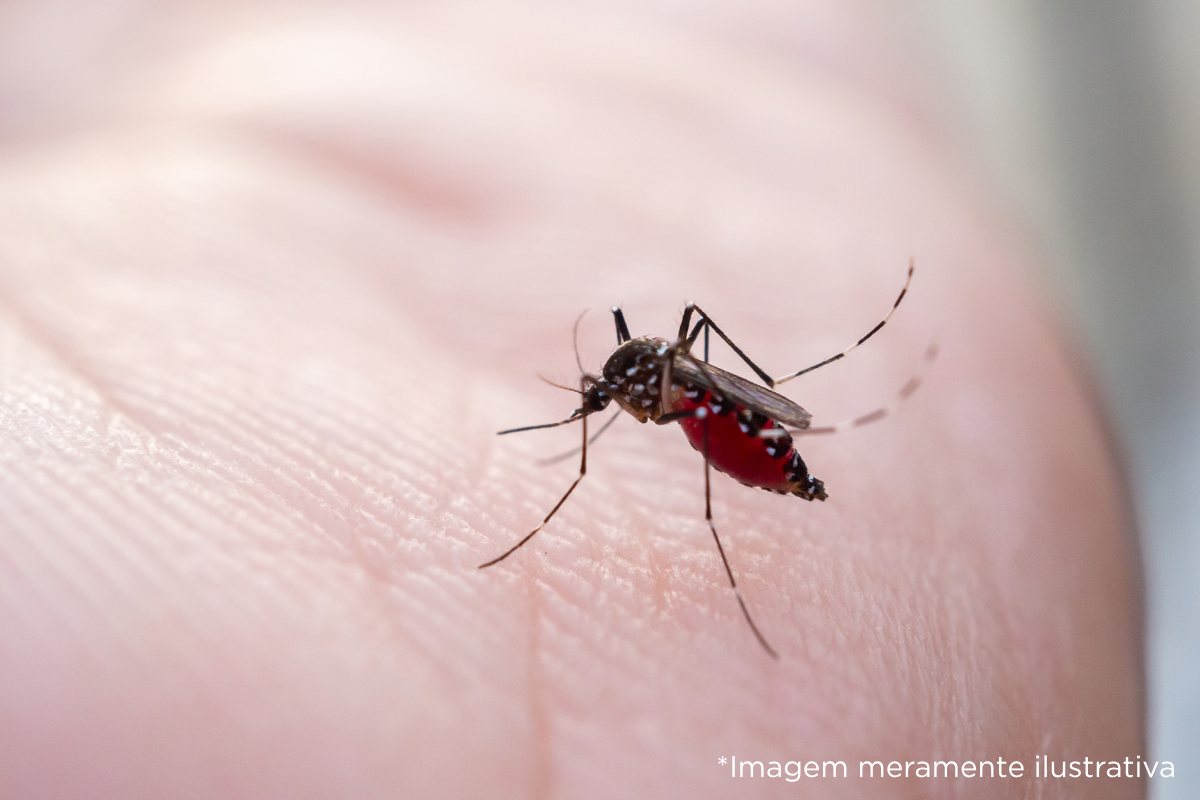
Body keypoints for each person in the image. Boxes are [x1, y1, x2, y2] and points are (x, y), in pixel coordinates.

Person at [0, 1, 1143, 797]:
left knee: (699, 374)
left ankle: (793, 401)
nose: (597, 408)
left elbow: (670, 380)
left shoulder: (663, 387)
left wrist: (741, 406)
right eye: (600, 400)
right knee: (687, 365)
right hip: (714, 408)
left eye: (597, 402)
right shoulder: (632, 381)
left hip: (735, 420)